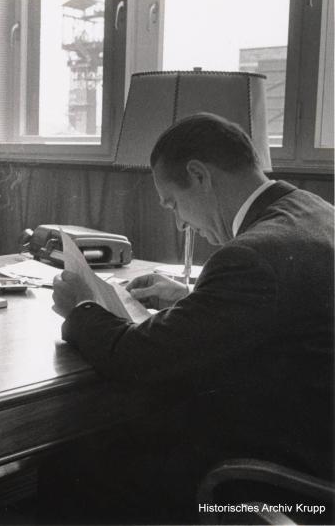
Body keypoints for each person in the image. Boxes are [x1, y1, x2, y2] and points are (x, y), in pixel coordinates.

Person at [47, 113, 334, 523]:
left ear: (199, 175)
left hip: (284, 487)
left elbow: (134, 359)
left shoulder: (251, 257)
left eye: (173, 203)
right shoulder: (315, 212)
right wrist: (193, 298)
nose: (181, 222)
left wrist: (81, 307)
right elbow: (282, 315)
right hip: (318, 450)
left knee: (75, 466)